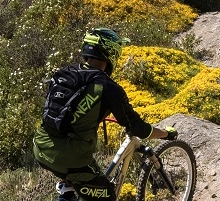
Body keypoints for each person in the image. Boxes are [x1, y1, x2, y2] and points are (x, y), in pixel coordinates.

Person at [34, 28, 176, 201]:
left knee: (72, 183)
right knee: (107, 196)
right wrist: (165, 134)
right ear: (111, 52)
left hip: (40, 146)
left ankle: (67, 191)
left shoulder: (66, 72)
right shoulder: (108, 87)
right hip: (70, 157)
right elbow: (138, 128)